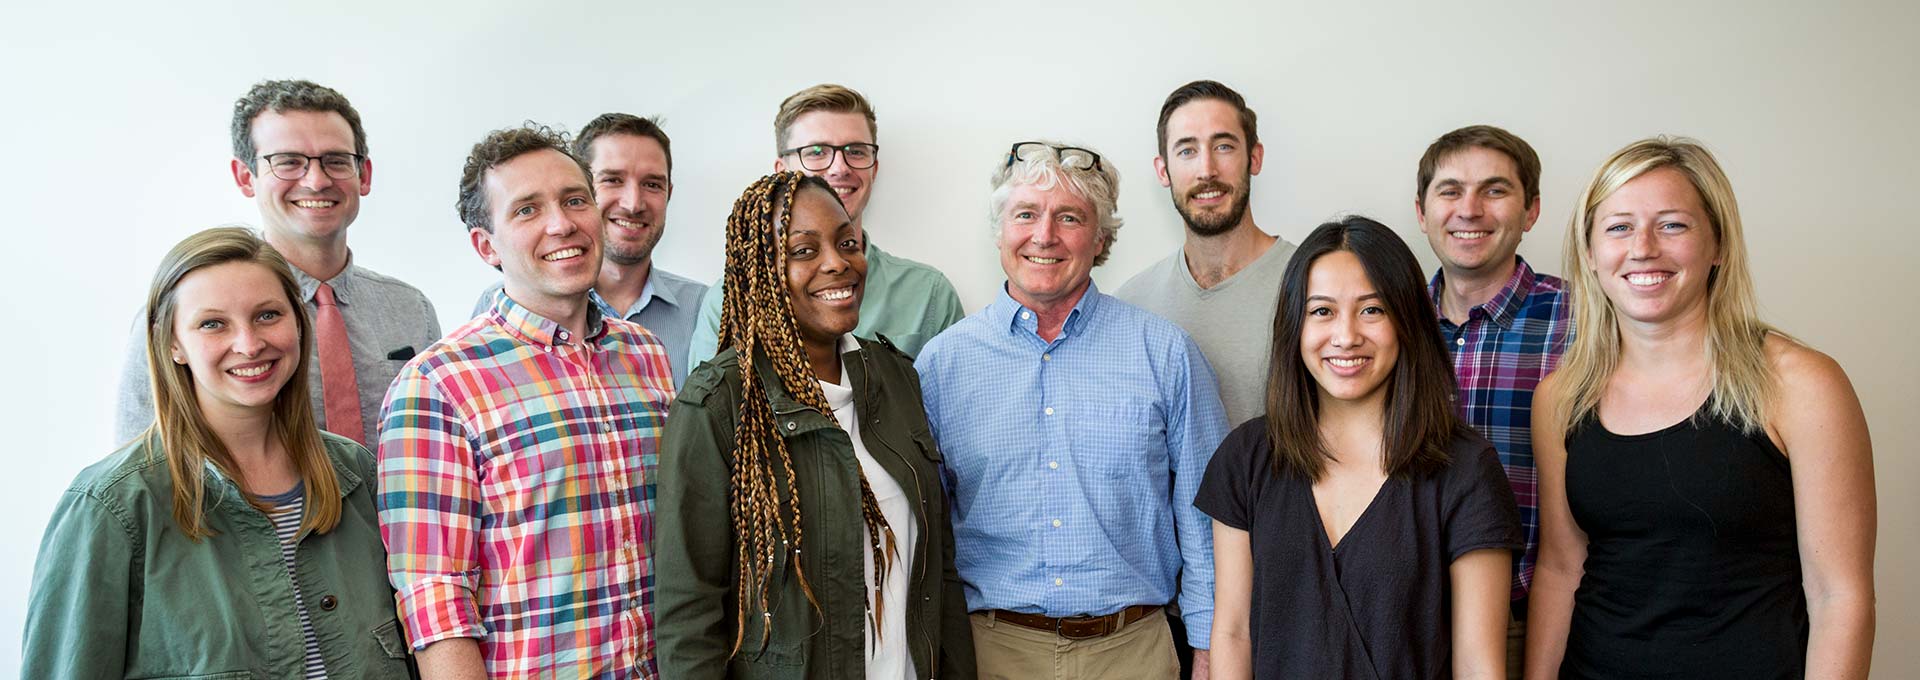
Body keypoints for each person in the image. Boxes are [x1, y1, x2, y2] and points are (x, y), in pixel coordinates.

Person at [1526, 137, 1876, 679]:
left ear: (1718, 245)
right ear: (1590, 255)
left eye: (1672, 225)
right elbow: (1560, 568)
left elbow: (1840, 596)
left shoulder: (1800, 383)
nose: (1643, 247)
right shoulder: (1561, 397)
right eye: (1618, 227)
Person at [25, 227, 411, 679]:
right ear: (173, 343)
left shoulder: (357, 475)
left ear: (297, 323)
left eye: (268, 315)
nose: (248, 344)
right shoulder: (110, 506)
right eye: (213, 323)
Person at [915, 141, 1228, 680]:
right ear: (999, 231)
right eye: (1026, 214)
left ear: (1101, 237)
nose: (1044, 235)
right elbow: (927, 529)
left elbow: (1205, 521)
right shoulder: (943, 365)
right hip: (989, 654)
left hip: (1136, 653)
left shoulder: (1165, 353)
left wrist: (1208, 649)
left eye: (1069, 217)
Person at [377, 124, 676, 678]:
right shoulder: (436, 384)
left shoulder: (648, 355)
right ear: (485, 246)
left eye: (574, 200)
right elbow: (435, 601)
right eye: (526, 210)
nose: (562, 223)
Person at [655, 171, 975, 679]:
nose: (838, 262)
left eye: (848, 242)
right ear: (761, 270)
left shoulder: (894, 377)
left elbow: (941, 567)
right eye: (804, 250)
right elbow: (688, 614)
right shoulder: (718, 406)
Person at [1196, 216, 1520, 680]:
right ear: (1295, 326)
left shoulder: (1465, 467)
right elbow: (1233, 632)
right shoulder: (1245, 458)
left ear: (1407, 321)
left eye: (1372, 310)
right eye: (1322, 311)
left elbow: (1478, 663)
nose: (1346, 336)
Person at [115, 79, 441, 448]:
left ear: (363, 175)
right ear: (245, 177)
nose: (316, 181)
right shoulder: (182, 319)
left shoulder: (411, 310)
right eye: (288, 162)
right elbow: (139, 473)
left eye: (335, 161)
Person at [1413, 124, 1572, 676]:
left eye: (1495, 190)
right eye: (1451, 190)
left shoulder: (1585, 324)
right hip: (1410, 621)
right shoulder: (1386, 325)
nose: (1470, 209)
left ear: (1530, 212)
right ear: (1421, 210)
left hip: (1538, 618)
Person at [687, 83, 963, 363]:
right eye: (817, 151)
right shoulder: (731, 299)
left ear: (874, 169)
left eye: (856, 151)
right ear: (782, 172)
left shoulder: (929, 294)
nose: (840, 168)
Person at [473, 113, 708, 387]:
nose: (633, 204)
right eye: (612, 180)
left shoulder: (704, 308)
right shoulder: (500, 305)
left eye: (652, 184)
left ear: (669, 193)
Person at [1118, 79, 1298, 427]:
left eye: (1224, 146)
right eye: (1187, 150)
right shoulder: (1133, 304)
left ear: (1255, 157)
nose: (1206, 170)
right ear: (1163, 170)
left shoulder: (1311, 282)